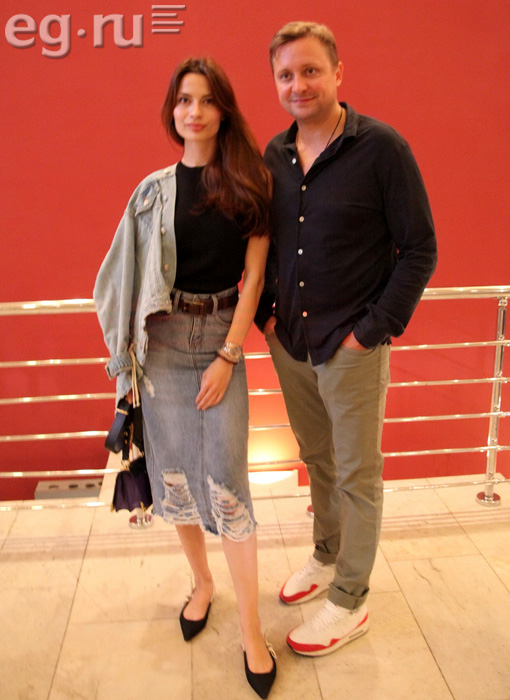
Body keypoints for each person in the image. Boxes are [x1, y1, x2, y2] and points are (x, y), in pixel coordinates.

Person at [94, 57, 276, 698]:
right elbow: (119, 280)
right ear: (172, 111)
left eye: (204, 100)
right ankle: (201, 583)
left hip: (222, 335)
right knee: (173, 477)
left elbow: (255, 277)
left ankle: (252, 632)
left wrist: (229, 355)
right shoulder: (151, 192)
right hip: (164, 345)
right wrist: (125, 365)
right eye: (182, 100)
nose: (192, 111)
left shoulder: (250, 183)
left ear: (223, 109)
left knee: (228, 485)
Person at [255, 21, 437, 657]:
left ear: (337, 73)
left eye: (310, 70)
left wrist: (370, 332)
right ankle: (327, 552)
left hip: (351, 346)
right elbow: (268, 246)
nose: (298, 85)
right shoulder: (275, 155)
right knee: (317, 458)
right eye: (285, 75)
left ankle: (350, 599)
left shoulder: (382, 148)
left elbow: (420, 250)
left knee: (358, 474)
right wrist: (267, 320)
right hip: (292, 341)